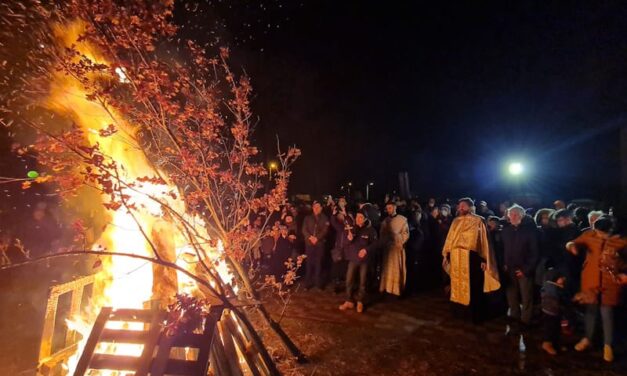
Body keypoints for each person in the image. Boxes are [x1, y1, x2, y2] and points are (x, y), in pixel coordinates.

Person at [566, 216, 627, 362]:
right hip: (591, 280)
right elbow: (574, 242)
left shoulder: (622, 241)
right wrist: (571, 246)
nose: (599, 235)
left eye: (602, 233)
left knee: (607, 313)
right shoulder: (589, 235)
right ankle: (588, 338)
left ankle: (608, 346)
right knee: (591, 311)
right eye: (598, 232)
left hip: (610, 282)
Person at [442, 198, 500, 323]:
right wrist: (447, 253)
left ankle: (474, 315)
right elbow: (450, 238)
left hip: (472, 259)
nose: (460, 208)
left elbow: (484, 242)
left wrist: (484, 259)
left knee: (473, 287)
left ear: (470, 207)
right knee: (457, 286)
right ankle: (459, 313)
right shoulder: (455, 221)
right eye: (459, 206)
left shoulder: (478, 220)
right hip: (456, 257)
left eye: (463, 206)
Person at [501, 205, 539, 326]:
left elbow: (535, 253)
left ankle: (525, 319)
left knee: (526, 295)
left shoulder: (531, 231)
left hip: (523, 269)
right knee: (511, 294)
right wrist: (504, 264)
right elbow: (502, 249)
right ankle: (514, 315)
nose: (513, 217)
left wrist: (526, 269)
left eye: (516, 214)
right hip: (509, 268)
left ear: (522, 216)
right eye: (511, 214)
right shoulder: (506, 231)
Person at [339, 210, 378, 313]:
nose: (358, 219)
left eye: (361, 217)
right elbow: (344, 244)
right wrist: (348, 238)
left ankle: (360, 301)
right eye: (357, 217)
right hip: (353, 259)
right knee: (349, 280)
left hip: (364, 261)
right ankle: (349, 300)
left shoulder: (371, 230)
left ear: (365, 219)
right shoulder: (352, 228)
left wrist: (366, 250)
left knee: (363, 282)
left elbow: (375, 244)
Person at [379, 201, 409, 296]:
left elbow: (406, 233)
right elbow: (382, 234)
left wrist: (398, 240)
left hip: (397, 248)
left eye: (390, 208)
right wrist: (386, 242)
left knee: (397, 269)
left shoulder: (402, 220)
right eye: (387, 208)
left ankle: (396, 290)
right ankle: (387, 288)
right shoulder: (385, 221)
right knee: (387, 268)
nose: (389, 210)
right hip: (388, 249)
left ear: (395, 208)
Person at [302, 201, 330, 289]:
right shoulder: (307, 218)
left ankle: (318, 283)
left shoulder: (325, 218)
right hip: (309, 244)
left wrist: (317, 238)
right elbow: (304, 229)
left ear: (321, 208)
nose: (316, 209)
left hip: (319, 244)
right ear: (312, 208)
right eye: (315, 207)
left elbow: (325, 230)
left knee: (319, 263)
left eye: (318, 207)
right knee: (309, 263)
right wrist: (310, 237)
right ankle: (307, 284)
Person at [540, 268, 567, 356]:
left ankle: (555, 343)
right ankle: (547, 343)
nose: (563, 280)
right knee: (549, 327)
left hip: (555, 311)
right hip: (549, 311)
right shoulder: (551, 288)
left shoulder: (556, 288)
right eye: (561, 278)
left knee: (556, 328)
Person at [330, 203, 354, 293]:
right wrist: (333, 215)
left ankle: (345, 286)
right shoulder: (340, 227)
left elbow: (350, 224)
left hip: (348, 250)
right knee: (337, 268)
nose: (340, 216)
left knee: (345, 268)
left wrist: (346, 215)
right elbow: (334, 223)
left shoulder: (350, 226)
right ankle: (337, 285)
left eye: (342, 214)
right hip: (339, 250)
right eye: (340, 214)